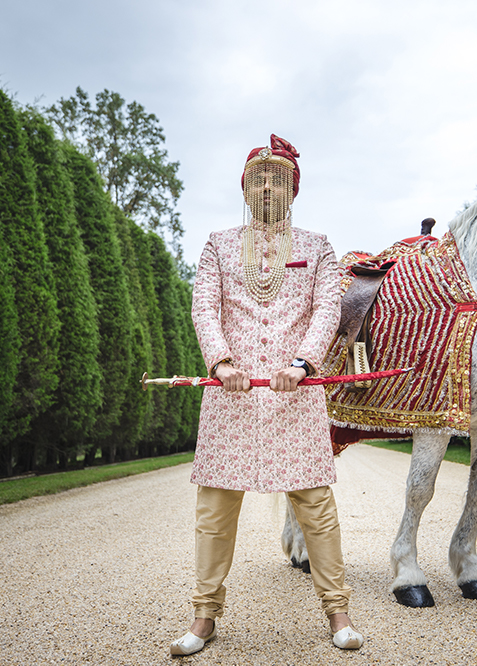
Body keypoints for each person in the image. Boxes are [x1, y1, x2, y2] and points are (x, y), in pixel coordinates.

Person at [170, 135, 364, 657]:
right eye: (259, 181)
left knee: (316, 505)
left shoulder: (318, 247)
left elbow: (326, 310)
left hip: (293, 396)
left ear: (294, 190)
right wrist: (222, 362)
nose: (268, 189)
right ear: (245, 190)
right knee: (214, 511)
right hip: (232, 397)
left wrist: (303, 363)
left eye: (278, 180)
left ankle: (338, 612)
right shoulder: (217, 244)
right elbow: (204, 308)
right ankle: (203, 616)